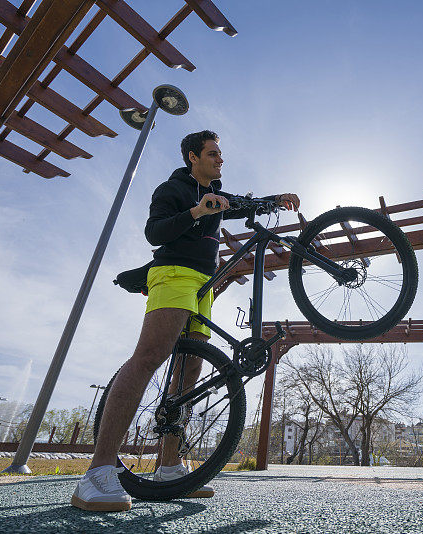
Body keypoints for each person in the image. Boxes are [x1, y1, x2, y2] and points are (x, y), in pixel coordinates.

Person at [71, 130, 300, 512]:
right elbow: (154, 231)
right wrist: (197, 212)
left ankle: (169, 466)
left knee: (190, 368)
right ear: (193, 157)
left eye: (221, 153)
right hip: (173, 273)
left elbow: (243, 204)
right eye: (213, 153)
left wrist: (274, 200)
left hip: (203, 283)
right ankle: (98, 472)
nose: (220, 159)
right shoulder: (171, 188)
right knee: (151, 356)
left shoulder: (218, 193)